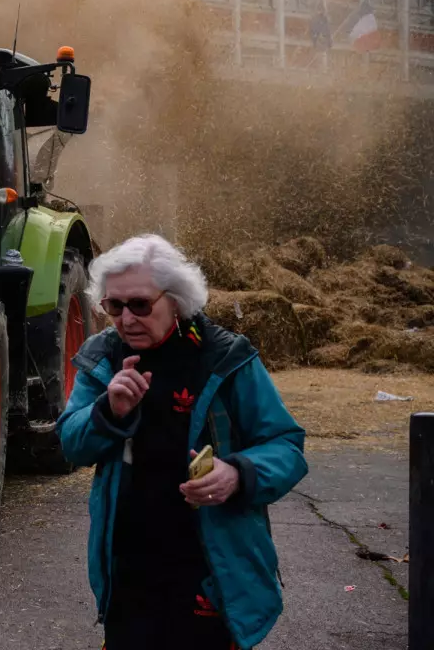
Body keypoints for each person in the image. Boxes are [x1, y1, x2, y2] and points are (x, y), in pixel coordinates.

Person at [55, 234, 308, 650]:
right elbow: (70, 443)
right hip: (129, 566)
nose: (126, 319)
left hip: (210, 566)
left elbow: (285, 444)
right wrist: (108, 412)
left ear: (175, 299)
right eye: (113, 306)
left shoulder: (225, 358)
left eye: (140, 304)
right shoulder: (101, 356)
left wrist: (238, 473)